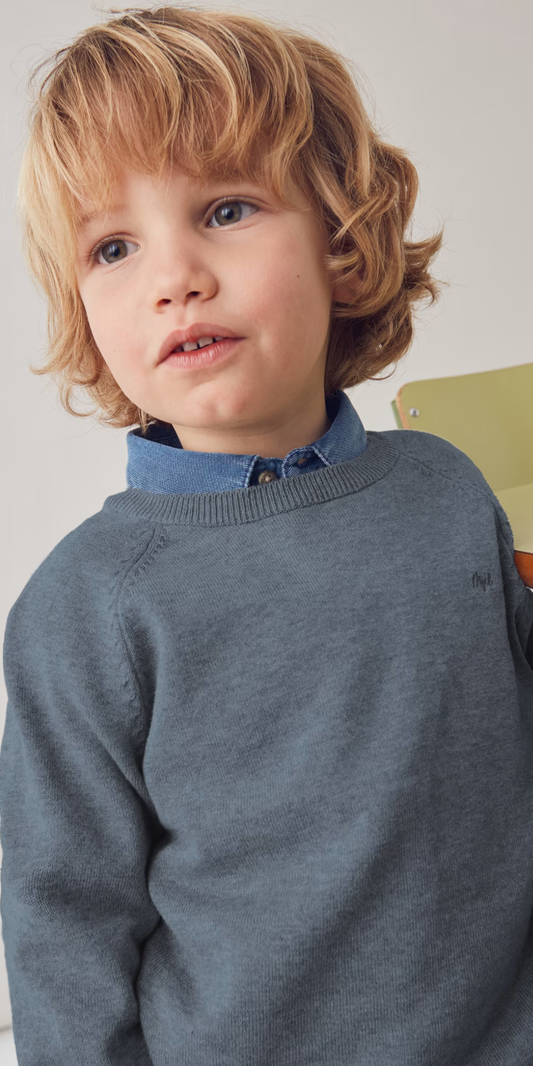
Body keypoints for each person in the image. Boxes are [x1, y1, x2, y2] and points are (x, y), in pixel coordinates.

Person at [0, 6, 532, 1065]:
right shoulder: (91, 604)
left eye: (227, 207)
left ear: (338, 238)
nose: (174, 274)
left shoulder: (446, 489)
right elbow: (64, 929)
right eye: (113, 246)